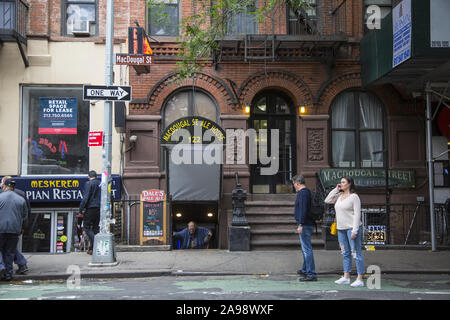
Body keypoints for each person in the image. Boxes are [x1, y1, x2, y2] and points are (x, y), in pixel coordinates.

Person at [324, 176, 365, 287]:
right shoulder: (339, 196)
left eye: (343, 182)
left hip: (352, 228)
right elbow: (327, 200)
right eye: (340, 182)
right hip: (341, 229)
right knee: (345, 253)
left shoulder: (354, 197)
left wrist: (355, 230)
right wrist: (336, 190)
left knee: (356, 253)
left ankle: (360, 278)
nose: (341, 184)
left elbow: (357, 214)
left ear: (349, 184)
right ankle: (346, 277)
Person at [0, 176, 30, 274]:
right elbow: (25, 215)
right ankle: (8, 274)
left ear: (5, 186)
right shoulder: (21, 198)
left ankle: (1, 266)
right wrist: (23, 227)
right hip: (14, 229)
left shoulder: (1, 196)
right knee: (10, 251)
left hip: (1, 228)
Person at [292, 174, 317, 282]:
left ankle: (311, 273)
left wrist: (300, 224)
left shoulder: (302, 193)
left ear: (297, 183)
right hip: (307, 223)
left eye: (294, 184)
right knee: (305, 248)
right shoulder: (306, 192)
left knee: (306, 249)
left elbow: (303, 209)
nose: (294, 186)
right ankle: (305, 269)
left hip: (305, 224)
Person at [78, 170, 101, 255]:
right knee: (95, 228)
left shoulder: (88, 184)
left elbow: (85, 198)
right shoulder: (100, 184)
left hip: (90, 208)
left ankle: (95, 244)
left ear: (89, 177)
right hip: (98, 209)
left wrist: (80, 210)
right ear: (96, 176)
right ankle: (91, 249)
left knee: (87, 228)